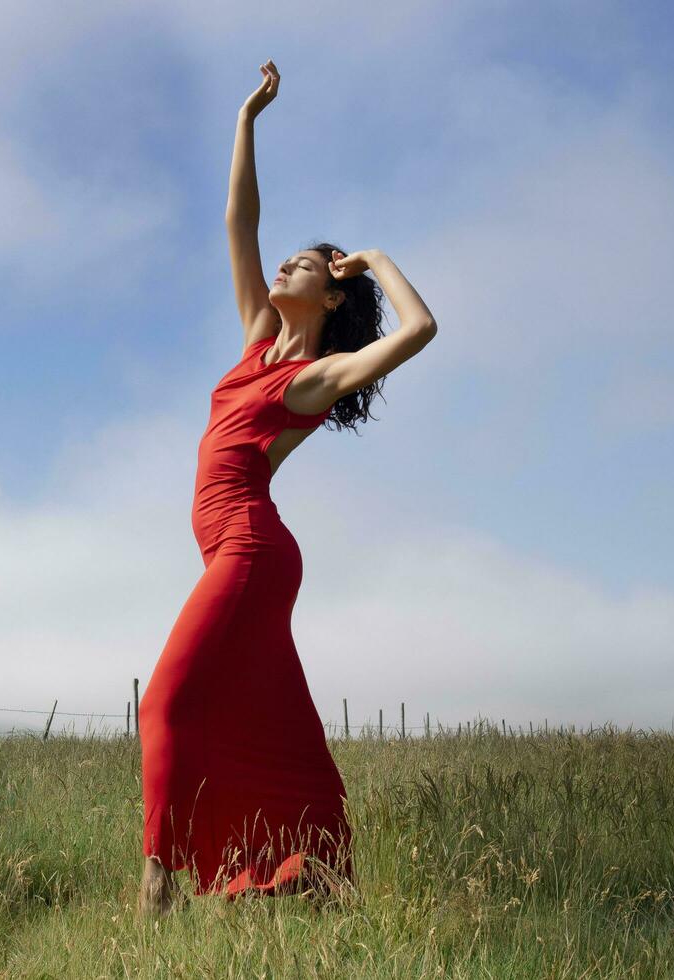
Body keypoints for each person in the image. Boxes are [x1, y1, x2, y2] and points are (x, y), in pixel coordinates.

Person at [136, 60, 439, 918]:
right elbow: (240, 220)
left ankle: (156, 896)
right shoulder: (255, 340)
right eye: (291, 259)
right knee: (266, 728)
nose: (284, 265)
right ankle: (304, 876)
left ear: (332, 291)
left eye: (307, 265)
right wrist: (246, 121)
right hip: (229, 552)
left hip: (251, 550)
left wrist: (375, 258)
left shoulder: (316, 374)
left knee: (165, 708)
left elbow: (419, 329)